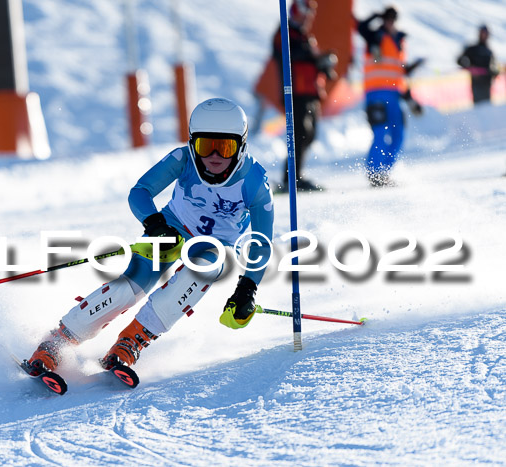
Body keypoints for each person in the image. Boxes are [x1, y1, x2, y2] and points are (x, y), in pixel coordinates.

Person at [26, 98, 274, 374]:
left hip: (218, 246)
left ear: (241, 146)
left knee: (202, 270)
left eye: (225, 147)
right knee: (130, 286)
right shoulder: (183, 159)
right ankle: (57, 343)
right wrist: (155, 224)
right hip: (172, 228)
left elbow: (262, 242)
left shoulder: (255, 182)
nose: (214, 156)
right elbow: (140, 192)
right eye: (206, 146)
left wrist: (248, 287)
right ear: (193, 143)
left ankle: (131, 341)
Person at [272, 0, 337, 193]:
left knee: (309, 134)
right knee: (299, 134)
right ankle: (291, 178)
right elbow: (288, 55)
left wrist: (323, 64)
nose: (308, 19)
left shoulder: (305, 36)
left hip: (310, 93)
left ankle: (294, 175)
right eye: (305, 14)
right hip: (295, 92)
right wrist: (315, 58)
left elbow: (310, 60)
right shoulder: (284, 33)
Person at [357, 6, 423, 187]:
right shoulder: (375, 36)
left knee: (398, 134)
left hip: (394, 95)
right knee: (380, 132)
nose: (390, 22)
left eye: (393, 18)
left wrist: (410, 98)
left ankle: (384, 173)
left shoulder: (399, 41)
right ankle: (374, 173)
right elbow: (360, 27)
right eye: (387, 18)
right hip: (375, 92)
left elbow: (397, 73)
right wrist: (375, 16)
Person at [457, 25, 500, 105]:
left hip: (487, 86)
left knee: (487, 109)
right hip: (476, 85)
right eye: (482, 33)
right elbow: (460, 60)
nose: (484, 35)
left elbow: (494, 68)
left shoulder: (489, 52)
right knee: (478, 109)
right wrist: (470, 67)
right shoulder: (473, 49)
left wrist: (494, 73)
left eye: (485, 33)